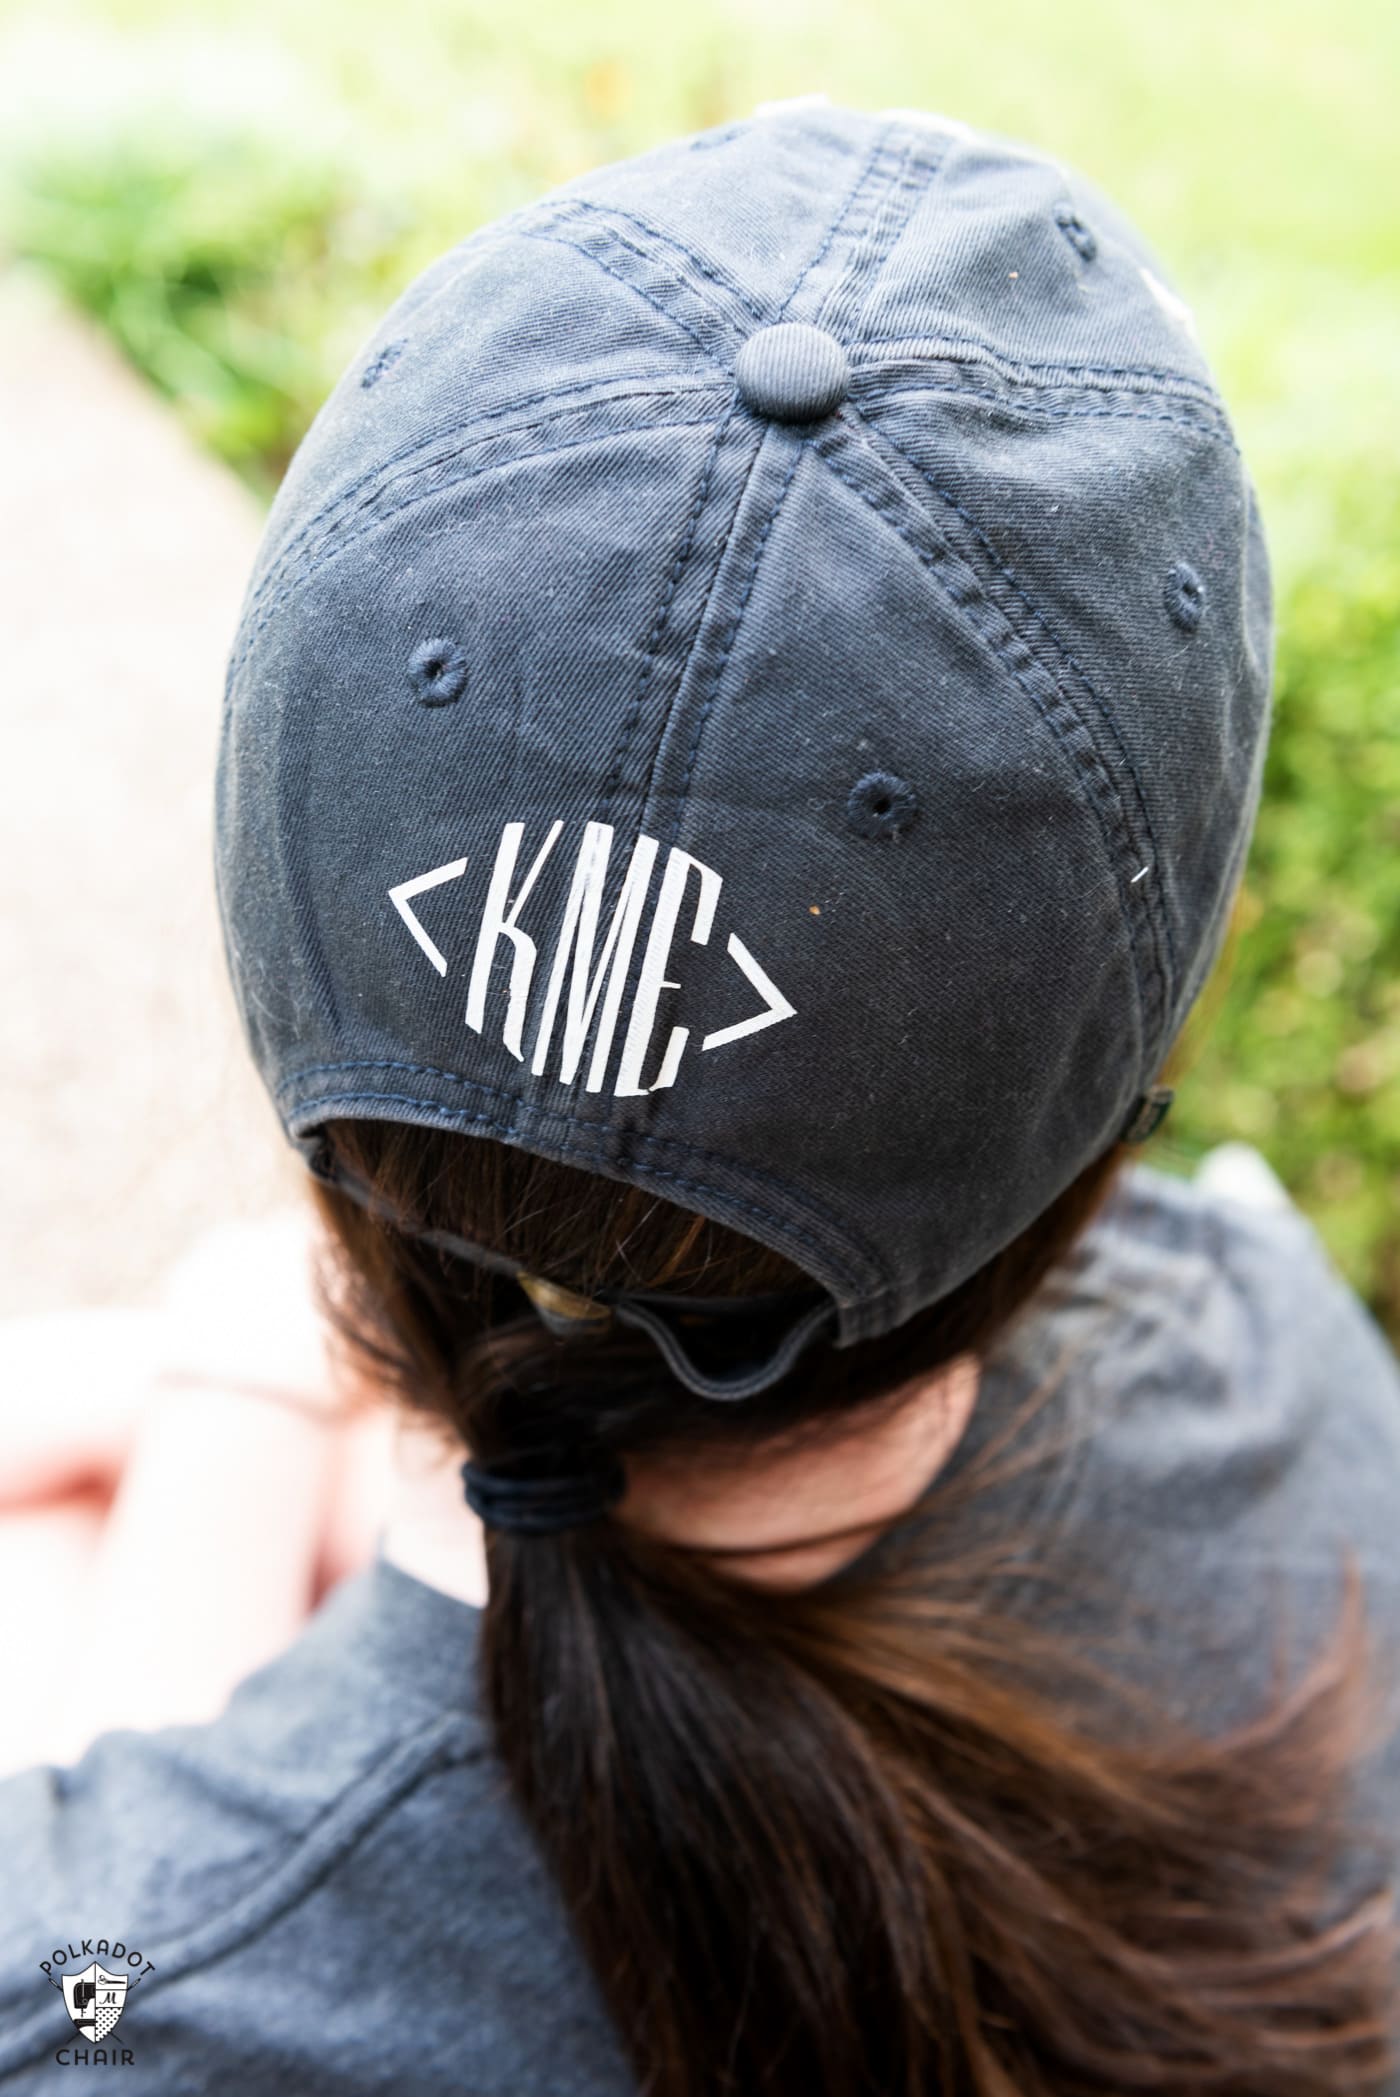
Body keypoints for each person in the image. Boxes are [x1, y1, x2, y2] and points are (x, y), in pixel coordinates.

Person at [2, 94, 1399, 2096]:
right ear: (1131, 1059)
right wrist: (232, 1393)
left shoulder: (100, 1999)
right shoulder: (1283, 1367)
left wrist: (227, 1403)